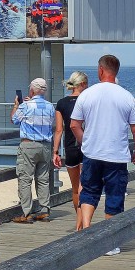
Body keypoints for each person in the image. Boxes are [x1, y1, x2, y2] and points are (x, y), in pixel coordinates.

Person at [70, 55, 135, 247]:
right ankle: (110, 243)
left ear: (100, 70)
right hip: (116, 155)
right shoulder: (126, 96)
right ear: (116, 71)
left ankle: (86, 229)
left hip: (92, 153)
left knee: (89, 191)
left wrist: (85, 142)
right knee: (114, 195)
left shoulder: (87, 94)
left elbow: (74, 125)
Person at [10, 78, 56, 223]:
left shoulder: (26, 106)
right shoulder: (50, 106)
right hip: (46, 146)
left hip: (29, 145)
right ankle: (44, 210)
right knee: (43, 179)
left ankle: (26, 213)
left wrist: (16, 105)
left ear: (32, 90)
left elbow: (14, 120)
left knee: (25, 178)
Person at [53, 71, 89, 211]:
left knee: (75, 189)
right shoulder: (87, 100)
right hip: (87, 146)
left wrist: (55, 152)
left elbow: (58, 130)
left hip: (70, 148)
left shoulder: (61, 103)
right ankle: (85, 223)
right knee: (85, 187)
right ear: (82, 84)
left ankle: (78, 223)